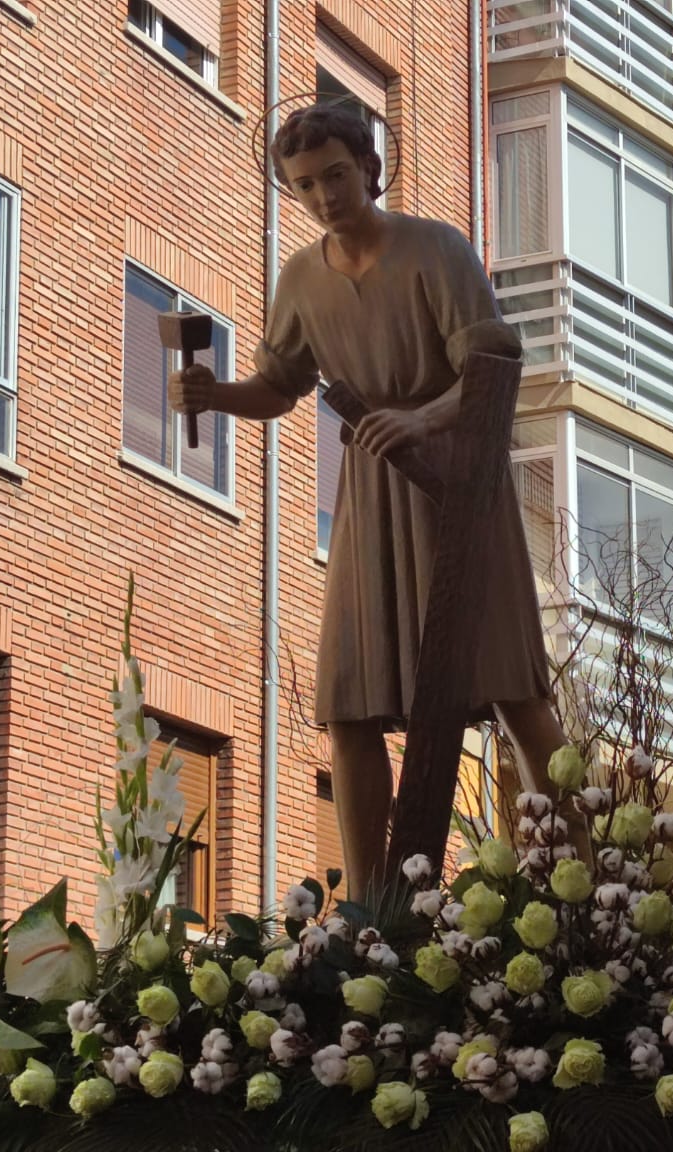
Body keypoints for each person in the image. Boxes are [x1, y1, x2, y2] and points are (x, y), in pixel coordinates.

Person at [171, 103, 572, 897]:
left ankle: (580, 880)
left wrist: (420, 418)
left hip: (460, 485)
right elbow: (279, 386)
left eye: (336, 175)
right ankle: (367, 906)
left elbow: (491, 362)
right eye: (305, 184)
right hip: (373, 497)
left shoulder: (435, 249)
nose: (323, 195)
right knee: (349, 700)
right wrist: (215, 396)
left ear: (370, 169)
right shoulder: (301, 280)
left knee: (512, 688)